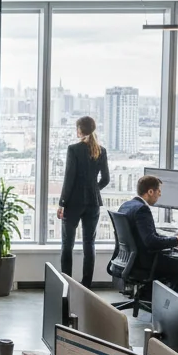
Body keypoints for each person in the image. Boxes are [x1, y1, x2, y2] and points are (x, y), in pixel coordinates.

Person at [56, 116, 110, 289]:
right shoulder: (101, 150)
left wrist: (62, 203)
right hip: (93, 203)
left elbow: (69, 178)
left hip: (73, 203)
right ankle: (86, 284)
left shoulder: (73, 149)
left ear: (80, 130)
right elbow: (106, 179)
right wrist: (93, 190)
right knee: (89, 244)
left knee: (67, 244)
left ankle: (67, 283)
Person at [118, 175, 178, 290]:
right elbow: (151, 242)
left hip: (129, 260)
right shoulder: (142, 210)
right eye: (158, 191)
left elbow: (146, 235)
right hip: (143, 263)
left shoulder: (126, 205)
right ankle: (170, 306)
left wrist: (174, 237)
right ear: (150, 191)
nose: (160, 194)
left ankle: (150, 296)